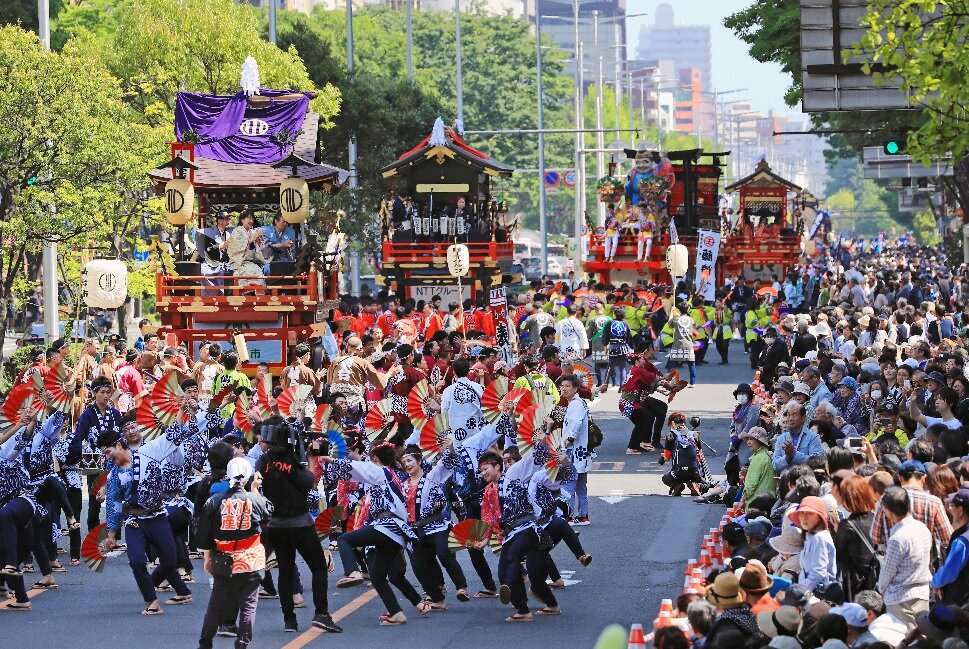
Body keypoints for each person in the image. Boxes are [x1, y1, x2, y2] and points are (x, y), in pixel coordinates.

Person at [100, 407, 198, 615]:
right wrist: (111, 535)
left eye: (109, 452)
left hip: (158, 516)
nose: (108, 458)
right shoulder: (114, 476)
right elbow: (114, 505)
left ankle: (163, 586)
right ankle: (152, 601)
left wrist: (180, 410)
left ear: (118, 445)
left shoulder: (149, 452)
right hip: (134, 521)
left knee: (170, 560)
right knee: (137, 561)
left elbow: (173, 435)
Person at [255, 418, 342, 633]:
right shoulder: (292, 463)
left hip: (275, 525)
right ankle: (321, 613)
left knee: (285, 571)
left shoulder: (263, 462)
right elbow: (309, 481)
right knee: (319, 567)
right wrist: (311, 457)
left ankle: (289, 620)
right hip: (300, 524)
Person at [195, 457, 274, 649]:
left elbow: (204, 535)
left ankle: (205, 644)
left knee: (216, 605)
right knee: (248, 605)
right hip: (251, 560)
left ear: (227, 476)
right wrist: (255, 490)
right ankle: (242, 644)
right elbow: (269, 511)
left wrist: (207, 558)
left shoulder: (214, 502)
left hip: (224, 561)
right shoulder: (254, 499)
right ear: (248, 477)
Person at [876, 486, 933, 628]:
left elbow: (887, 573)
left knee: (904, 640)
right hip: (922, 593)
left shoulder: (898, 538)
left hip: (900, 599)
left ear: (888, 511)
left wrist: (880, 589)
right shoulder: (922, 528)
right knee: (922, 637)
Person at [831, 474, 879, 601]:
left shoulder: (847, 526)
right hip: (875, 578)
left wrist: (836, 529)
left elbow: (838, 554)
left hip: (855, 583)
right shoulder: (876, 519)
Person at [789, 495, 838, 593]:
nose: (804, 517)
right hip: (810, 590)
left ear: (820, 517)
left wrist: (801, 592)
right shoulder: (810, 536)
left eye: (809, 514)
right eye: (801, 513)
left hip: (821, 593)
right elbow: (805, 571)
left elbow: (818, 572)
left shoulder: (819, 537)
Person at [560, 374, 592, 526]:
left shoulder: (576, 405)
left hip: (573, 451)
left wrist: (569, 439)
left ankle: (569, 516)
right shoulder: (579, 403)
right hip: (581, 452)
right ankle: (583, 516)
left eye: (567, 386)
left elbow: (576, 424)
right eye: (562, 386)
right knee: (580, 486)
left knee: (568, 485)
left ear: (575, 388)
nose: (564, 389)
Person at [931, 488, 969, 605]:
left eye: (952, 506)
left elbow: (949, 572)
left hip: (960, 601)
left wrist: (934, 583)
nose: (950, 509)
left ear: (961, 510)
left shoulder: (962, 541)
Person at [772, 403, 826, 472]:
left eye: (794, 415)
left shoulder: (813, 437)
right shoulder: (781, 438)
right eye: (788, 415)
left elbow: (816, 463)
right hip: (785, 481)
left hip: (805, 481)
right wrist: (787, 457)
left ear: (804, 417)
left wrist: (793, 453)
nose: (790, 419)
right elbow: (775, 466)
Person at [227, 211, 272, 292]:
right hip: (239, 261)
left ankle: (257, 293)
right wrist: (253, 238)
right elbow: (238, 247)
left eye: (252, 219)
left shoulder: (252, 232)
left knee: (258, 271)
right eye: (249, 218)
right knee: (252, 270)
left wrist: (258, 239)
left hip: (251, 261)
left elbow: (258, 249)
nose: (251, 221)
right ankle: (247, 292)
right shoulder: (237, 231)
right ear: (242, 220)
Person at [739, 426, 776, 511]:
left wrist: (742, 500)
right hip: (768, 501)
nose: (748, 442)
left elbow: (750, 485)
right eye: (748, 439)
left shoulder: (758, 458)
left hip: (756, 504)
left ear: (760, 441)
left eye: (752, 439)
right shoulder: (767, 455)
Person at [199, 211, 233, 292]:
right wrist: (221, 245)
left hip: (224, 262)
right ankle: (208, 296)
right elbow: (208, 249)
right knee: (203, 270)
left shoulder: (228, 234)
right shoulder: (210, 232)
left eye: (228, 219)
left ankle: (221, 295)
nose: (228, 221)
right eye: (226, 219)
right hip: (210, 260)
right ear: (219, 221)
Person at [666, 304, 698, 387]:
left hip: (678, 344)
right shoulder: (691, 319)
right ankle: (692, 382)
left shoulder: (676, 319)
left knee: (672, 363)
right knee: (691, 364)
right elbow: (696, 326)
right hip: (688, 343)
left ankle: (670, 381)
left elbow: (669, 325)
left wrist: (672, 314)